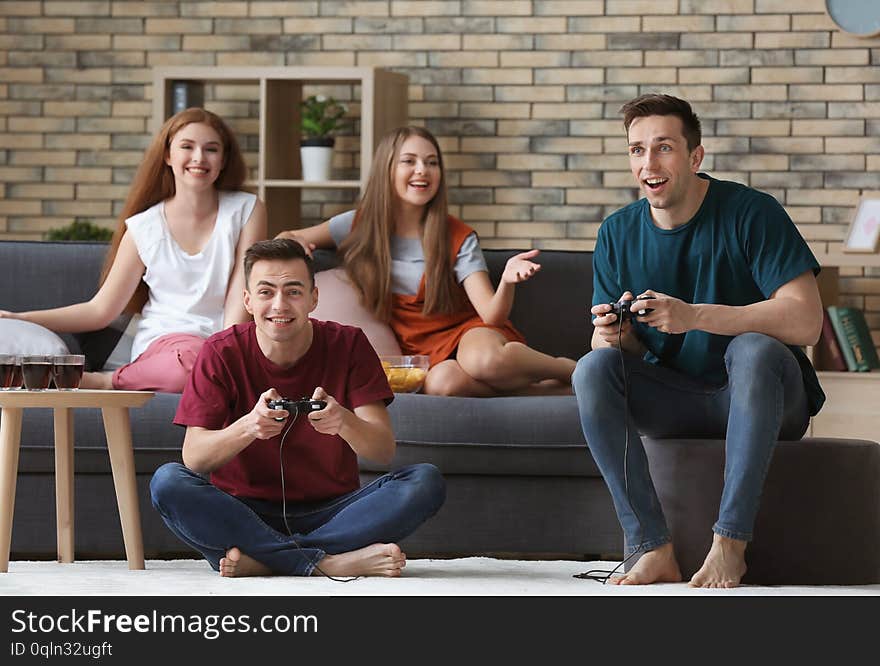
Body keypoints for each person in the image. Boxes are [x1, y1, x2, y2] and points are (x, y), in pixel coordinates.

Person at [572, 94, 825, 588]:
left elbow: (806, 322)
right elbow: (618, 354)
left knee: (751, 348)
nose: (649, 163)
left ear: (695, 156)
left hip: (767, 395)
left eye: (663, 148)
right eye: (637, 150)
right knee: (592, 368)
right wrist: (613, 336)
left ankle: (730, 544)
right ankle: (651, 546)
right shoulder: (616, 233)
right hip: (678, 398)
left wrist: (694, 317)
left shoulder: (752, 212)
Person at [150, 238, 446, 578]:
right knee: (167, 481)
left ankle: (265, 559)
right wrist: (248, 427)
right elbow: (195, 458)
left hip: (334, 510)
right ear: (247, 300)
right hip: (242, 510)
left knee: (425, 481)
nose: (280, 305)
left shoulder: (349, 344)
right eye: (266, 292)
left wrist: (344, 421)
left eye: (293, 291)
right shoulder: (220, 351)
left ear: (313, 298)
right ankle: (326, 562)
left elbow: (383, 450)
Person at [275, 125, 576, 397]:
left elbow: (491, 315)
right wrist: (295, 241)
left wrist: (508, 280)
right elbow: (288, 235)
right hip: (419, 351)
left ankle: (571, 371)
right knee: (442, 385)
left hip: (469, 332)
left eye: (432, 163)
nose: (423, 170)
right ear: (387, 169)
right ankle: (546, 392)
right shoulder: (358, 225)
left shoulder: (457, 235)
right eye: (410, 161)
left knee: (483, 362)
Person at [0, 108, 267, 392]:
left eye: (211, 149)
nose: (199, 157)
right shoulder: (144, 227)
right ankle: (114, 380)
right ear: (168, 155)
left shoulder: (246, 209)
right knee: (191, 362)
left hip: (224, 342)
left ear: (224, 159)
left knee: (226, 363)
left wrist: (224, 356)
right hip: (167, 349)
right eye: (187, 147)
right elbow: (100, 310)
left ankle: (122, 379)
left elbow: (243, 291)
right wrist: (21, 318)